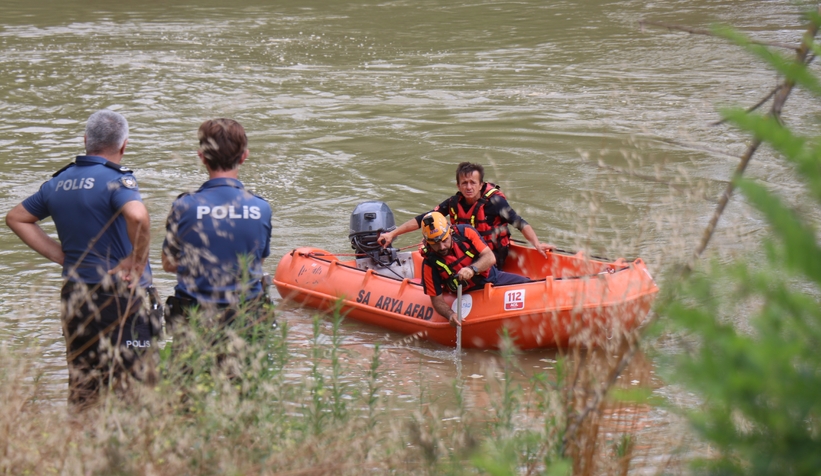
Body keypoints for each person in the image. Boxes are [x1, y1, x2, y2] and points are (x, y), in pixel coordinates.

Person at [5, 109, 155, 409]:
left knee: (83, 387)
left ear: (86, 140)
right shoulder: (117, 180)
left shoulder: (57, 183)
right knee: (136, 389)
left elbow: (16, 218)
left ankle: (77, 436)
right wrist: (137, 260)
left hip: (76, 295)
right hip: (121, 294)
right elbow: (138, 216)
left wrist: (61, 256)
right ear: (124, 145)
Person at [162, 118, 272, 329]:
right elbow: (257, 262)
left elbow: (168, 264)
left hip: (195, 320)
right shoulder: (261, 208)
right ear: (244, 156)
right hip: (247, 320)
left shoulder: (183, 206)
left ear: (202, 157)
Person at [379, 162, 555, 269]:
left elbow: (520, 223)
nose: (468, 187)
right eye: (464, 183)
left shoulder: (495, 203)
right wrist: (392, 234)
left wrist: (537, 244)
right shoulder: (453, 203)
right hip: (465, 252)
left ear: (481, 185)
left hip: (491, 256)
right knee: (428, 250)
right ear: (458, 185)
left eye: (472, 183)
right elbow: (424, 219)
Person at [420, 212, 529, 326]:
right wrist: (450, 314)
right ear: (428, 242)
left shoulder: (466, 232)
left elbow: (490, 257)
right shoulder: (429, 263)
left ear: (450, 232)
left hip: (492, 278)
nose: (442, 247)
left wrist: (472, 269)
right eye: (435, 244)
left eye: (444, 240)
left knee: (527, 284)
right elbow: (437, 300)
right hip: (466, 294)